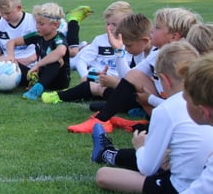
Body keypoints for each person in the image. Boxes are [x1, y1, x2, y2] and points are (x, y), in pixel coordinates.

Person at [66, 53, 213, 194]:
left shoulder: (167, 111)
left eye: (186, 98)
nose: (181, 101)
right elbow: (201, 192)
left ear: (204, 111)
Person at [92, 41, 213, 194]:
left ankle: (106, 153)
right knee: (165, 156)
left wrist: (140, 147)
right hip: (205, 178)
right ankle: (107, 152)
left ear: (164, 79)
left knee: (103, 175)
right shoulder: (205, 100)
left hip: (186, 187)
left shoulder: (167, 109)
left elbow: (147, 168)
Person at [67, 7, 201, 134]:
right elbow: (129, 77)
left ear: (174, 36)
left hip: (185, 117)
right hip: (167, 109)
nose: (152, 31)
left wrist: (151, 99)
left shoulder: (182, 60)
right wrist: (119, 51)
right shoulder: (158, 53)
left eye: (157, 28)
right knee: (136, 77)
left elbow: (182, 106)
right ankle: (103, 119)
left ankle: (115, 122)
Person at [40, 2, 134, 105]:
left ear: (127, 25)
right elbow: (82, 60)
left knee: (110, 95)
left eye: (114, 24)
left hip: (117, 82)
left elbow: (131, 72)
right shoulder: (99, 40)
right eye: (108, 24)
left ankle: (69, 94)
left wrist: (115, 80)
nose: (109, 28)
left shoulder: (131, 44)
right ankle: (59, 96)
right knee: (89, 85)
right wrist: (84, 75)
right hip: (96, 79)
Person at [2, 2, 70, 101]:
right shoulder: (37, 36)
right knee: (9, 62)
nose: (37, 26)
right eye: (37, 22)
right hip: (40, 75)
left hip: (59, 81)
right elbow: (11, 42)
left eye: (41, 24)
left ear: (55, 25)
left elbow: (60, 52)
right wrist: (11, 56)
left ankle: (36, 90)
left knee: (56, 61)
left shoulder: (59, 38)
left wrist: (38, 65)